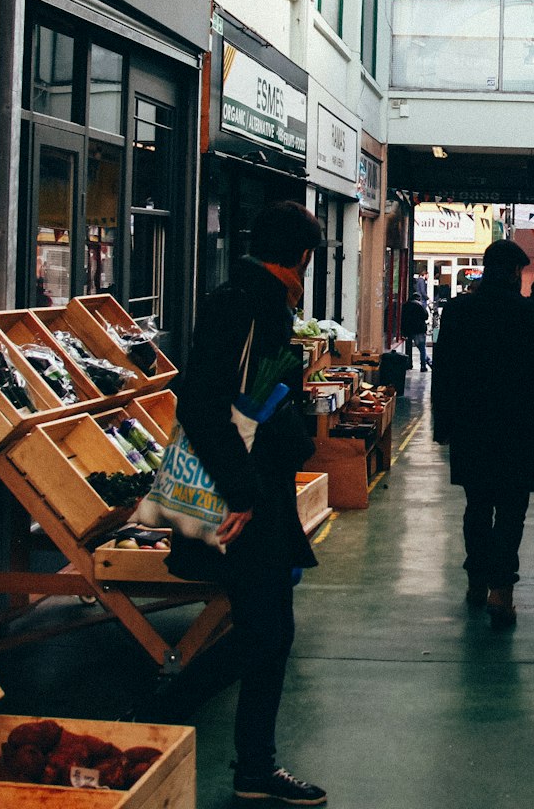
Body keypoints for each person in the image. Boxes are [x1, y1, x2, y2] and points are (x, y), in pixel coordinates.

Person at [169, 200, 326, 806]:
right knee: (269, 630)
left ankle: (218, 741)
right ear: (299, 260)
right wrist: (242, 491)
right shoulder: (249, 306)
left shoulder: (241, 298)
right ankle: (246, 762)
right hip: (242, 501)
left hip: (253, 494)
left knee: (265, 630)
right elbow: (203, 405)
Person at [431, 239, 534, 627]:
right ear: (511, 272)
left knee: (477, 505)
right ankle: (501, 591)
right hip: (518, 430)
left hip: (472, 427)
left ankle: (476, 578)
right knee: (511, 512)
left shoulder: (458, 312)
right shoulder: (532, 315)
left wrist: (444, 423)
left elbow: (445, 372)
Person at [400, 292, 431, 371]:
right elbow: (426, 316)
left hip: (409, 330)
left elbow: (402, 318)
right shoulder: (420, 305)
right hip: (419, 329)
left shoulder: (405, 305)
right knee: (422, 348)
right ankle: (423, 365)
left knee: (413, 347)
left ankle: (409, 363)